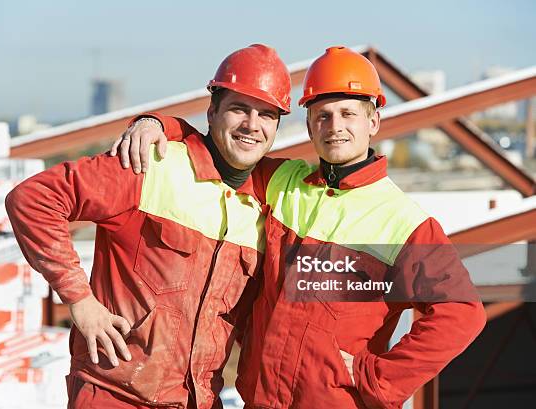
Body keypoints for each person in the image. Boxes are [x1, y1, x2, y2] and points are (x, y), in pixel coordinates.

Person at [113, 46, 486, 408]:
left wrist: (379, 379)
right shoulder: (282, 181)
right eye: (322, 115)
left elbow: (462, 313)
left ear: (373, 121)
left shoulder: (404, 222)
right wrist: (158, 123)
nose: (334, 126)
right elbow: (223, 147)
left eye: (348, 114)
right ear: (308, 124)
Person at [5, 44, 293, 409]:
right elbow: (33, 200)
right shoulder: (150, 164)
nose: (252, 124)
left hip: (197, 402)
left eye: (267, 115)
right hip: (115, 395)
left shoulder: (263, 204)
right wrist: (80, 301)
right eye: (239, 108)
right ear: (213, 110)